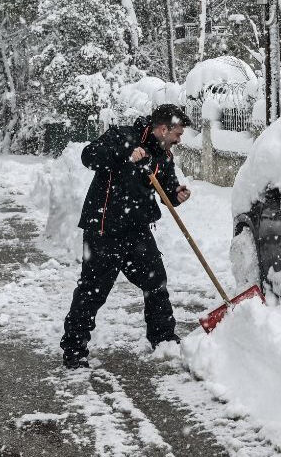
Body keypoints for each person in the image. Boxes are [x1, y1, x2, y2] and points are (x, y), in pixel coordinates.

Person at [60, 103, 193, 369]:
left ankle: (163, 337)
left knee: (156, 282)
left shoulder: (164, 155)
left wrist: (176, 194)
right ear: (163, 128)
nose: (179, 140)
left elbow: (166, 188)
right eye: (177, 133)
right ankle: (74, 349)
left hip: (137, 230)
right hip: (104, 229)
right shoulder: (122, 136)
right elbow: (89, 156)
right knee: (93, 290)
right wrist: (124, 154)